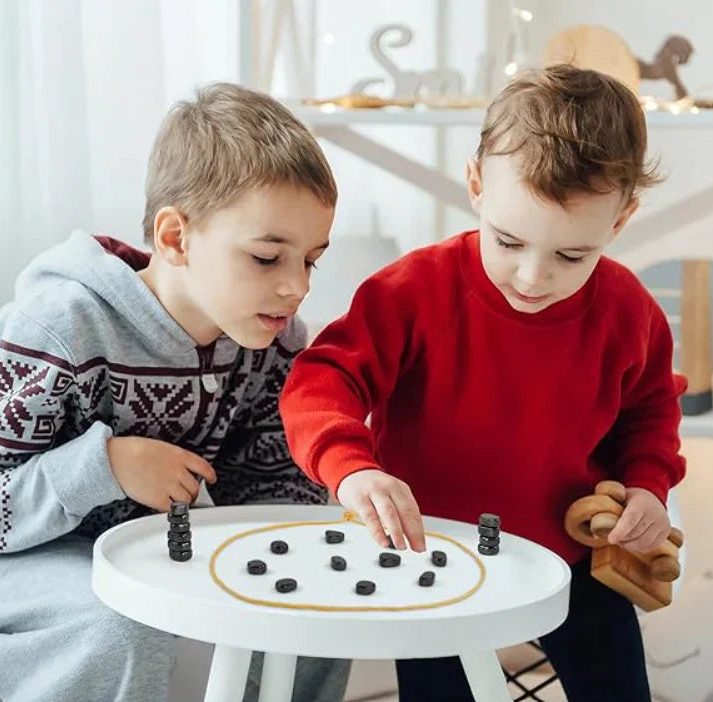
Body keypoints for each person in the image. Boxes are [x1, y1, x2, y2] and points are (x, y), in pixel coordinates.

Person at [280, 65, 686, 702]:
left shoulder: (630, 311)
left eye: (570, 256)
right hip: (431, 556)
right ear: (475, 184)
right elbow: (321, 379)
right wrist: (352, 468)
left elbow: (651, 409)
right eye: (509, 240)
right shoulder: (413, 291)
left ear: (621, 219)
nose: (531, 276)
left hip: (573, 557)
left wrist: (648, 487)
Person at [0, 83, 350, 702]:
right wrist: (106, 467)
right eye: (267, 258)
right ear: (177, 238)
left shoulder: (276, 342)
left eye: (311, 260)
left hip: (144, 555)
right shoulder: (61, 327)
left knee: (314, 605)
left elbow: (272, 497)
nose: (297, 288)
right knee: (121, 626)